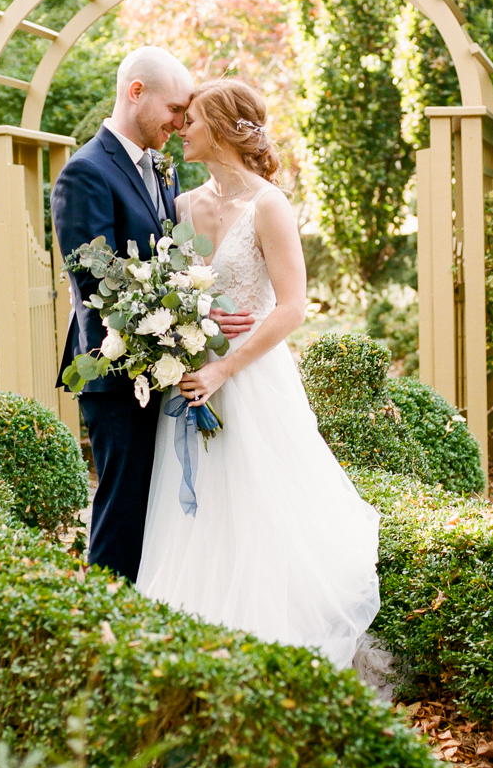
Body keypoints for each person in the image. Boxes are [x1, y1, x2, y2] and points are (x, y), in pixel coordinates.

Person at [136, 78, 381, 669]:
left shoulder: (269, 206)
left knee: (258, 508)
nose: (181, 128)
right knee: (199, 514)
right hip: (191, 379)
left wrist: (224, 369)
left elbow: (292, 307)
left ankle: (269, 646)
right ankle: (195, 648)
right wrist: (187, 327)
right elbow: (168, 290)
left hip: (251, 379)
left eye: (192, 120)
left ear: (221, 129)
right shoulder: (180, 206)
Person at [50, 48, 254, 583]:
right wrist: (197, 311)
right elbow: (98, 287)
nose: (181, 123)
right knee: (123, 512)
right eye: (175, 109)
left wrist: (197, 318)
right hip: (116, 375)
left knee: (157, 514)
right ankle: (103, 618)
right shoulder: (85, 173)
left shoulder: (161, 169)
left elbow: (172, 261)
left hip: (161, 369)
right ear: (136, 92)